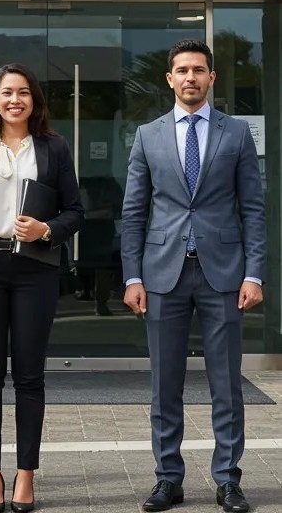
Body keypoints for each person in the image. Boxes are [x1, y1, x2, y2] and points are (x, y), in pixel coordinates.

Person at [122, 40, 266, 513]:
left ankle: (228, 480)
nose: (190, 77)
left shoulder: (237, 133)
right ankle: (168, 479)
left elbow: (254, 210)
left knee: (226, 384)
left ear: (211, 78)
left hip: (223, 275)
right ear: (169, 78)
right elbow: (134, 212)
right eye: (181, 70)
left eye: (198, 70)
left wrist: (255, 273)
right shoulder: (148, 135)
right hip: (161, 276)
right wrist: (131, 278)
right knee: (165, 386)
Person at [0, 63, 84, 513]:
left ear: (34, 100)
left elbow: (76, 211)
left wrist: (46, 228)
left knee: (29, 376)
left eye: (23, 93)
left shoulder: (54, 147)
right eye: (6, 93)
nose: (14, 101)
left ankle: (25, 475)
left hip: (36, 269)